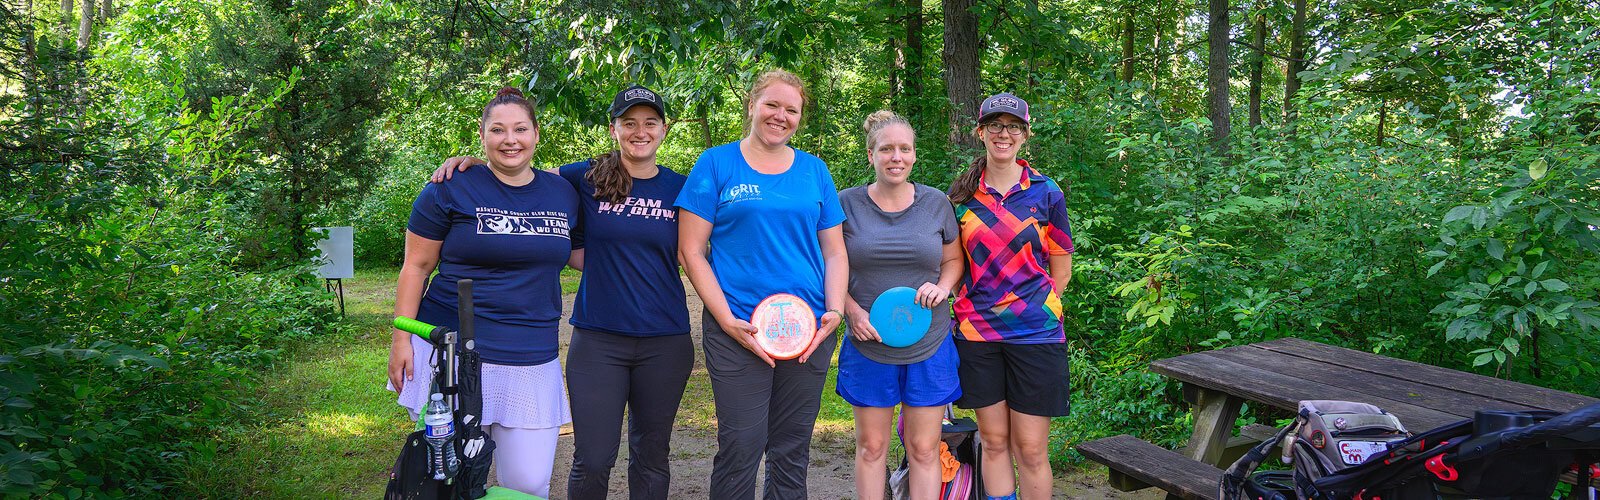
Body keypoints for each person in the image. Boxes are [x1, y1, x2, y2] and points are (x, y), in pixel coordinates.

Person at [431, 85, 692, 500]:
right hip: (599, 339)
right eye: (629, 123)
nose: (639, 131)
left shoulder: (684, 188)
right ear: (614, 129)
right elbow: (519, 175)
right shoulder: (584, 176)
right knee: (592, 458)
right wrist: (474, 165)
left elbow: (699, 250)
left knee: (652, 454)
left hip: (666, 339)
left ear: (664, 129)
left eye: (650, 122)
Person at [388, 87, 577, 498]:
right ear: (482, 135)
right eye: (498, 130)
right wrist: (401, 338)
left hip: (530, 353)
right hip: (453, 352)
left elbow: (585, 251)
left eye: (520, 129)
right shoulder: (451, 186)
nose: (510, 139)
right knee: (450, 480)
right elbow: (416, 266)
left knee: (528, 484)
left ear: (537, 133)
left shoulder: (562, 191)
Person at [674, 69, 847, 500]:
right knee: (741, 447)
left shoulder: (814, 170)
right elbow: (691, 251)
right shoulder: (716, 163)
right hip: (738, 330)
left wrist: (835, 313)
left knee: (791, 450)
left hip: (808, 332)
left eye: (792, 109)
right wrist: (726, 320)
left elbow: (835, 252)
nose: (780, 115)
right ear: (752, 105)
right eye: (772, 104)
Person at [947, 92, 1075, 500]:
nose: (1005, 134)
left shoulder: (1047, 192)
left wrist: (1037, 307)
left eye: (1014, 127)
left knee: (1032, 449)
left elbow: (1061, 265)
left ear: (1025, 135)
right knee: (994, 441)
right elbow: (953, 266)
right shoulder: (961, 197)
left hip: (1036, 335)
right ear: (981, 132)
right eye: (996, 126)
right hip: (977, 333)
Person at [836, 110, 964, 499]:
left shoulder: (936, 203)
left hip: (930, 343)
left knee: (924, 448)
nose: (896, 157)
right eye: (887, 149)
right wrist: (851, 310)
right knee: (871, 448)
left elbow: (954, 261)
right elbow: (829, 266)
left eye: (904, 149)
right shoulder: (846, 204)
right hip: (869, 344)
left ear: (913, 155)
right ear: (871, 154)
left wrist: (943, 287)